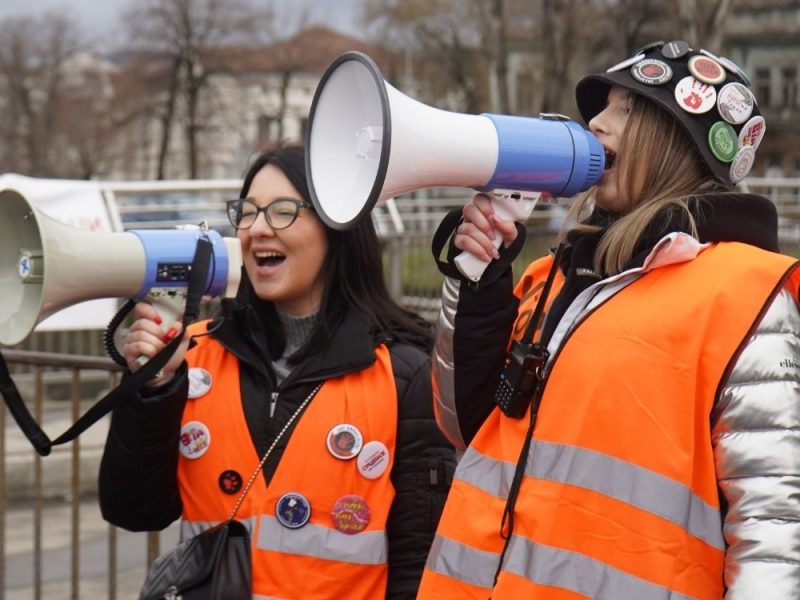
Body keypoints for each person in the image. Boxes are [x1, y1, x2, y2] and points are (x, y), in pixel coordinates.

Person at [417, 41, 800, 599]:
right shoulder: (556, 275)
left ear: (676, 140)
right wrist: (477, 282)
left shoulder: (748, 293)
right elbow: (467, 424)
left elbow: (773, 522)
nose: (596, 122)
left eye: (624, 108)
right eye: (600, 108)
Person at [98, 145, 456, 599]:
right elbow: (133, 510)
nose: (257, 229)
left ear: (337, 227)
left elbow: (419, 560)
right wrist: (153, 390)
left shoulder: (405, 372)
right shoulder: (194, 354)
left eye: (283, 212)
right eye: (246, 213)